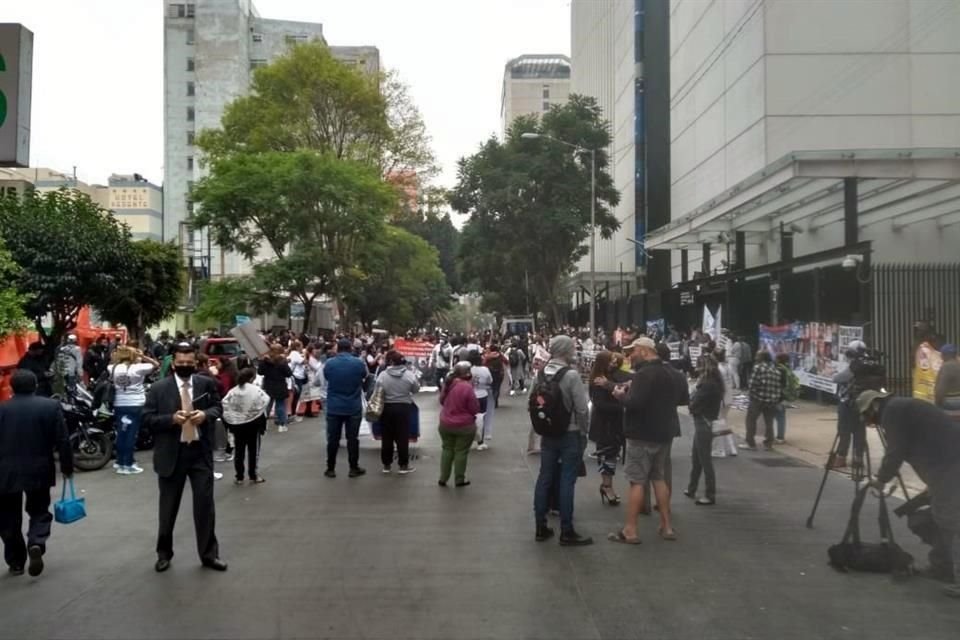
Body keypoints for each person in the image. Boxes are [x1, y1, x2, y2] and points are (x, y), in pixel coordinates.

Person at [860, 390, 960, 598]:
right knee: (933, 518)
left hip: (949, 467)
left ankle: (951, 572)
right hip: (945, 467)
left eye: (868, 417)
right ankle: (942, 566)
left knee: (952, 521)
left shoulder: (892, 412)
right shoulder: (900, 407)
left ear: (873, 406)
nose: (871, 423)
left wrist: (881, 479)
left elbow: (896, 451)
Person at [142, 344, 227, 573]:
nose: (185, 366)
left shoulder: (206, 383)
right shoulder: (159, 389)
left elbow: (218, 407)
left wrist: (205, 415)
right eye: (181, 362)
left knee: (205, 506)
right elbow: (147, 419)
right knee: (168, 508)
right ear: (173, 362)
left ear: (195, 362)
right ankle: (163, 554)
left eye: (190, 362)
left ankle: (209, 554)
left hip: (200, 453)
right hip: (171, 455)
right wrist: (171, 419)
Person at [0, 370, 74, 577]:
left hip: (5, 471)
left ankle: (16, 561)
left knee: (7, 517)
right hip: (39, 468)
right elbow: (63, 440)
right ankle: (36, 541)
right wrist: (67, 468)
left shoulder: (2, 410)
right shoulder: (50, 406)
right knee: (39, 509)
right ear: (35, 386)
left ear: (12, 387)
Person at [609, 337, 680, 544]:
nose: (630, 356)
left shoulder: (643, 375)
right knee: (658, 478)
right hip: (663, 434)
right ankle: (666, 526)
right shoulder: (669, 373)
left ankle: (630, 530)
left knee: (637, 481)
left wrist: (620, 396)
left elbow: (634, 403)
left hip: (641, 435)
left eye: (633, 352)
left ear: (644, 351)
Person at [532, 335, 593, 546]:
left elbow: (532, 402)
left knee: (544, 477)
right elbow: (582, 409)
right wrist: (584, 432)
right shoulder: (571, 375)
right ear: (567, 351)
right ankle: (566, 530)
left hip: (548, 434)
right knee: (567, 480)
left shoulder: (540, 373)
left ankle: (540, 526)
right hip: (570, 433)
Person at [109, 345, 160, 475]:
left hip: (119, 403)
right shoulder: (139, 368)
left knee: (122, 433)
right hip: (135, 404)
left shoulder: (112, 368)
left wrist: (119, 355)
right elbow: (156, 364)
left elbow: (111, 361)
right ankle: (128, 464)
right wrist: (142, 356)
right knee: (131, 435)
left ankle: (120, 462)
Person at [323, 338, 369, 479]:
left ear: (338, 348)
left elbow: (327, 377)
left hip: (334, 406)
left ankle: (330, 468)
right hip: (353, 405)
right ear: (350, 348)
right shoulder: (359, 363)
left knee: (333, 439)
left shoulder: (329, 363)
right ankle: (353, 468)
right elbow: (365, 376)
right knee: (352, 439)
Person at [588, 351, 629, 507]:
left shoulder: (610, 377)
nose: (614, 363)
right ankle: (607, 486)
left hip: (612, 424)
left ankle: (607, 486)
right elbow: (599, 404)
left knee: (610, 455)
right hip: (605, 425)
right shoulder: (598, 381)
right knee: (607, 456)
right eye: (611, 361)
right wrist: (622, 406)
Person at [684, 357, 724, 505]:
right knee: (698, 457)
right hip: (707, 421)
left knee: (704, 460)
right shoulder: (714, 383)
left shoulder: (706, 384)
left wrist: (691, 401)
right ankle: (692, 488)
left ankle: (709, 494)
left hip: (702, 422)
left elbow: (694, 403)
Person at [222, 367, 269, 485]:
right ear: (252, 378)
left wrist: (233, 417)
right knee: (253, 451)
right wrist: (253, 412)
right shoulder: (256, 390)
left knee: (239, 451)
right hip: (253, 424)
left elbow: (225, 404)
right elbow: (265, 401)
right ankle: (253, 475)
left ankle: (239, 476)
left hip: (237, 425)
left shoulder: (233, 391)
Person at [376, 350, 420, 475]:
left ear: (391, 362)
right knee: (402, 437)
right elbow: (416, 389)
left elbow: (377, 389)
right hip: (403, 408)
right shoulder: (409, 375)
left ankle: (386, 465)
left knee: (387, 437)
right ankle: (403, 465)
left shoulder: (383, 375)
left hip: (387, 408)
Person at [438, 362, 481, 487]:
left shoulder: (448, 384)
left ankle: (443, 478)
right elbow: (474, 408)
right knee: (461, 451)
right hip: (464, 425)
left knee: (447, 449)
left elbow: (441, 400)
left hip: (445, 423)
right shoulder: (467, 387)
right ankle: (459, 479)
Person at [743, 351, 781, 451]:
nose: (755, 357)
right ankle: (768, 444)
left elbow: (752, 385)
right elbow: (778, 387)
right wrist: (774, 399)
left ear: (761, 358)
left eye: (757, 355)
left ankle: (750, 443)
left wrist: (753, 396)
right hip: (771, 400)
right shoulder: (775, 370)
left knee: (751, 420)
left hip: (757, 399)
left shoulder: (757, 368)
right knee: (769, 423)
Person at [258, 344, 293, 433]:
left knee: (267, 405)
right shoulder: (281, 361)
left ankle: (263, 424)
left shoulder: (265, 360)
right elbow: (288, 373)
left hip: (268, 385)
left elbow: (260, 372)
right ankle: (282, 424)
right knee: (280, 405)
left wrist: (262, 362)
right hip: (279, 385)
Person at [712, 350, 739, 458]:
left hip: (721, 399)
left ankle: (720, 450)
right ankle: (732, 448)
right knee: (723, 422)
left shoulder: (717, 369)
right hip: (729, 398)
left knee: (718, 423)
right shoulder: (728, 366)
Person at [469, 351, 495, 450]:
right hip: (482, 394)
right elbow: (490, 380)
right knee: (481, 418)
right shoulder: (485, 369)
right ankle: (480, 441)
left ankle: (468, 439)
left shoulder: (468, 370)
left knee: (469, 417)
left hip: (470, 394)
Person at [935, 344, 960, 416]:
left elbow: (940, 390)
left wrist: (937, 402)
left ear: (944, 355)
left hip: (951, 402)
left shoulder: (946, 367)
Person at [287, 341, 307, 423]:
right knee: (296, 396)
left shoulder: (293, 354)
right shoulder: (295, 354)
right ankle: (293, 415)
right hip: (296, 377)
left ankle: (292, 414)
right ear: (297, 347)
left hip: (294, 376)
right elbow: (304, 362)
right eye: (301, 346)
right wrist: (305, 354)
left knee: (294, 396)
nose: (302, 348)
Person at [483, 344, 508, 408]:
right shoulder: (500, 355)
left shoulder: (488, 356)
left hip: (490, 372)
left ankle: (492, 401)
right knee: (497, 387)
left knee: (491, 387)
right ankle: (495, 401)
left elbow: (483, 363)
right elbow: (506, 361)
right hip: (499, 373)